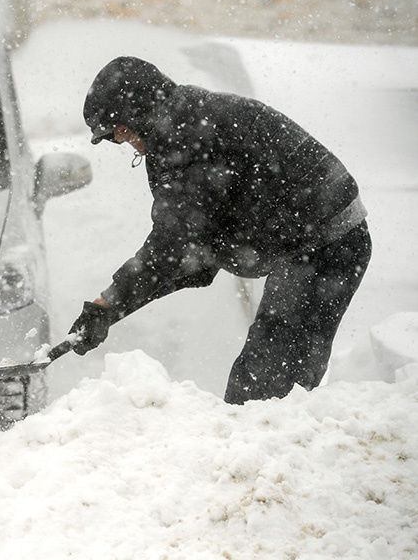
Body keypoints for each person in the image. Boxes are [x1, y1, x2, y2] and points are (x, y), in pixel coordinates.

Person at [70, 56, 371, 404]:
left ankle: (268, 447)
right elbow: (192, 255)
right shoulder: (180, 124)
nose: (121, 140)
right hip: (312, 242)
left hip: (327, 242)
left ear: (140, 108)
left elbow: (174, 243)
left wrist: (110, 302)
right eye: (112, 137)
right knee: (268, 386)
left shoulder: (186, 135)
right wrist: (110, 309)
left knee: (264, 388)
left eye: (119, 128)